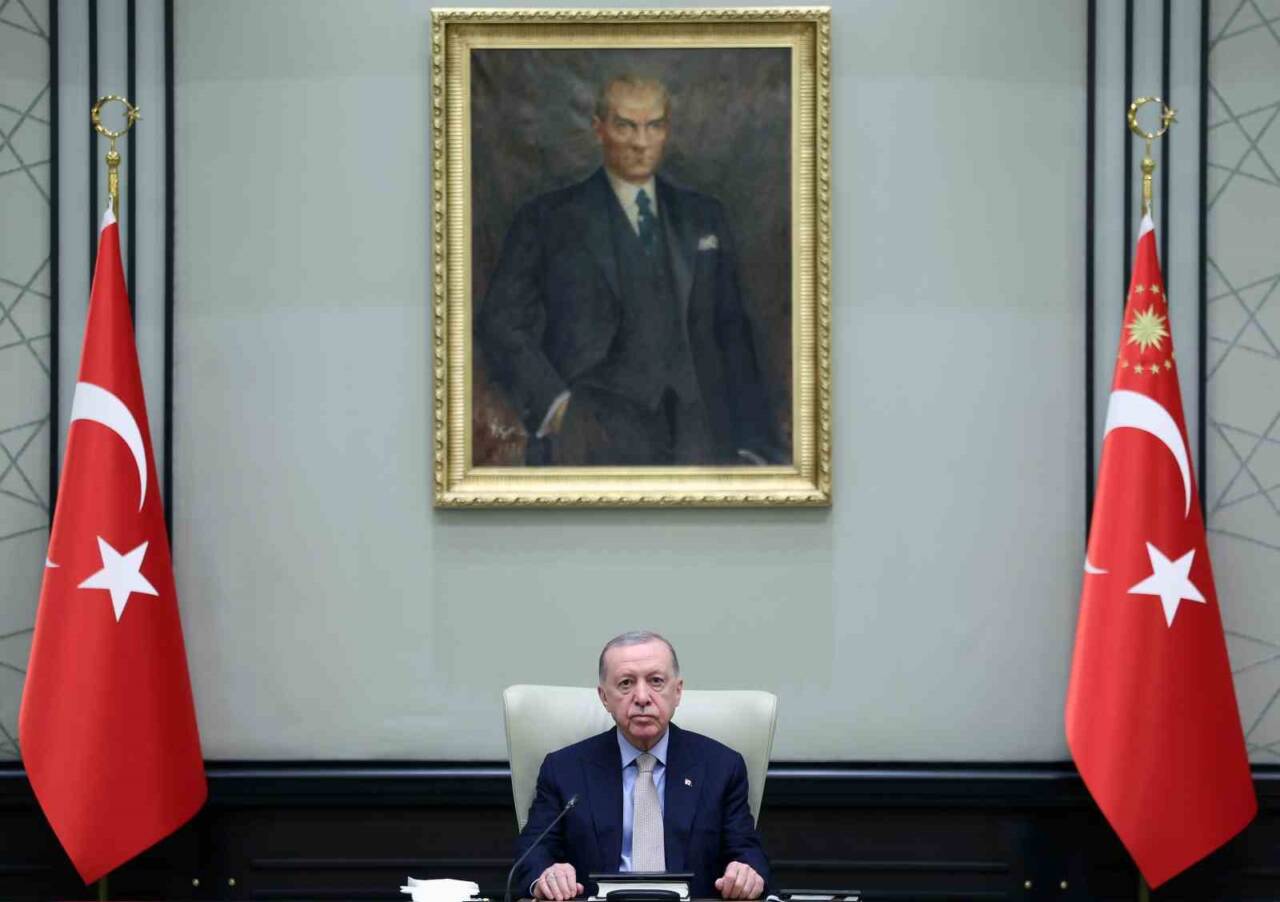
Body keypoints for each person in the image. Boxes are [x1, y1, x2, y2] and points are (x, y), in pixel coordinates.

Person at [477, 75, 785, 466]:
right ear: (599, 129)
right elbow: (501, 322)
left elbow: (733, 332)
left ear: (666, 130)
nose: (641, 142)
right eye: (625, 126)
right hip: (589, 436)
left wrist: (753, 444)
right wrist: (556, 407)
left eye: (653, 126)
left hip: (700, 437)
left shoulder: (704, 216)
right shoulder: (547, 219)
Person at [512, 631, 770, 900]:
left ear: (678, 691)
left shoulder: (722, 767)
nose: (642, 697)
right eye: (626, 683)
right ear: (604, 697)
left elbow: (748, 853)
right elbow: (533, 853)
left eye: (656, 681)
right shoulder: (563, 769)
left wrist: (746, 874)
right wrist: (546, 875)